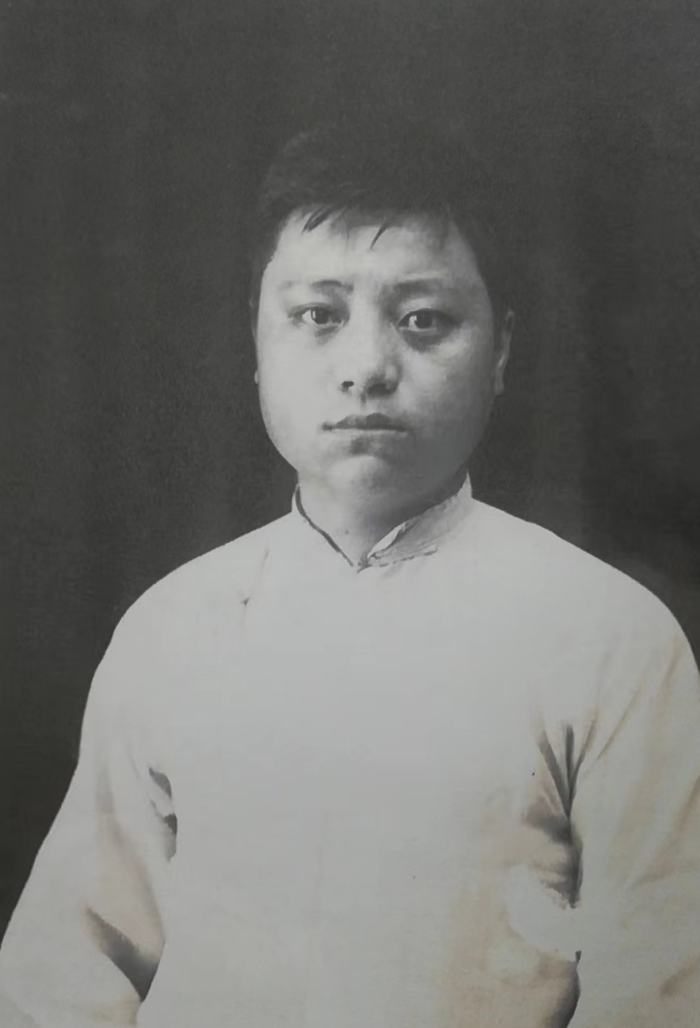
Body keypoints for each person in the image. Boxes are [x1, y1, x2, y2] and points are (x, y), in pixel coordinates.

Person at [1, 117, 699, 1028]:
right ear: (256, 346)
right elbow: (64, 969)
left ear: (500, 351)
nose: (367, 368)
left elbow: (660, 987)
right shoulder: (173, 628)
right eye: (317, 317)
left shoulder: (611, 639)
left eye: (424, 320)